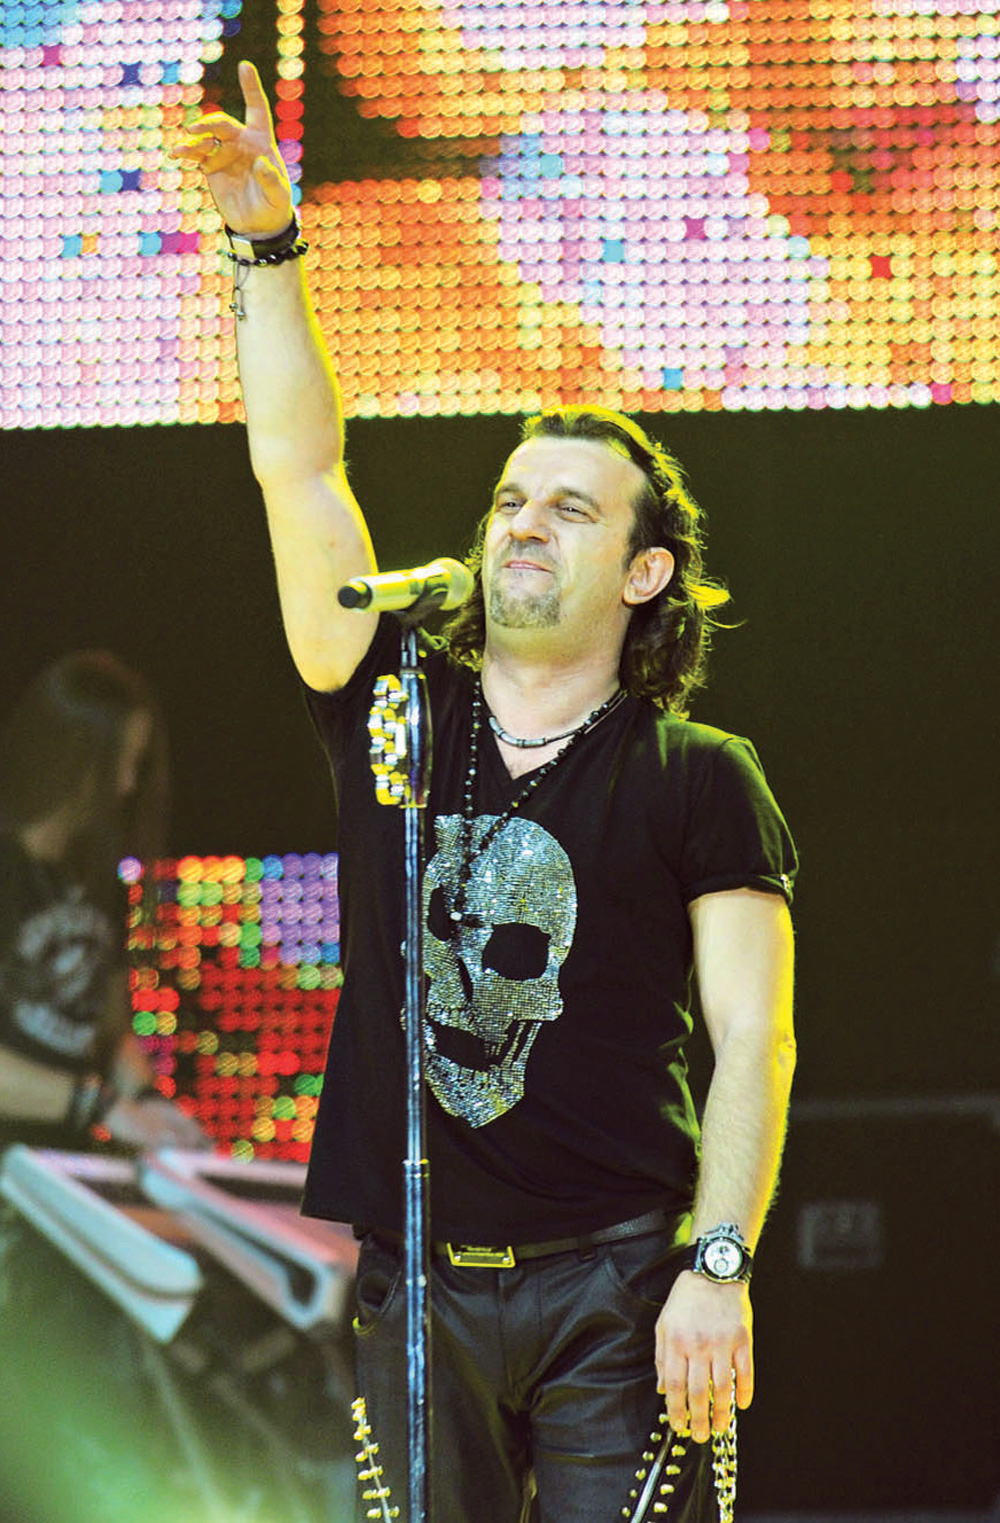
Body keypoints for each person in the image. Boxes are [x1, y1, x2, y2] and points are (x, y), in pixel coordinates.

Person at [175, 62, 797, 1522]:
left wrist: (717, 1266)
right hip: (418, 1278)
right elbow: (297, 470)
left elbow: (753, 1038)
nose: (523, 522)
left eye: (570, 509)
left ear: (643, 573)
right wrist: (268, 251)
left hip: (619, 1278)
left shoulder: (698, 775)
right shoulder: (395, 700)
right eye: (512, 498)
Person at [0, 650, 208, 1153]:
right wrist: (100, 1106)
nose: (128, 784)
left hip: (58, 1160)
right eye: (121, 761)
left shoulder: (98, 879)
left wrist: (148, 1099)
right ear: (75, 755)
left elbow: (111, 1031)